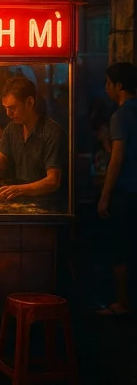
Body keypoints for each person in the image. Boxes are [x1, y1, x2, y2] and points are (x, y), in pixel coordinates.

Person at [0, 77, 66, 204]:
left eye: (12, 107)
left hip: (49, 206)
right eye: (5, 108)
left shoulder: (52, 132)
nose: (8, 113)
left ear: (30, 103)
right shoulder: (12, 129)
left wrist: (18, 190)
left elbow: (53, 181)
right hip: (22, 204)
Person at [97, 62, 137, 317]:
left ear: (119, 86)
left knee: (121, 249)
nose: (106, 88)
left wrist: (104, 196)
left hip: (126, 193)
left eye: (108, 83)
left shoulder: (120, 116)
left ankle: (123, 304)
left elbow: (118, 159)